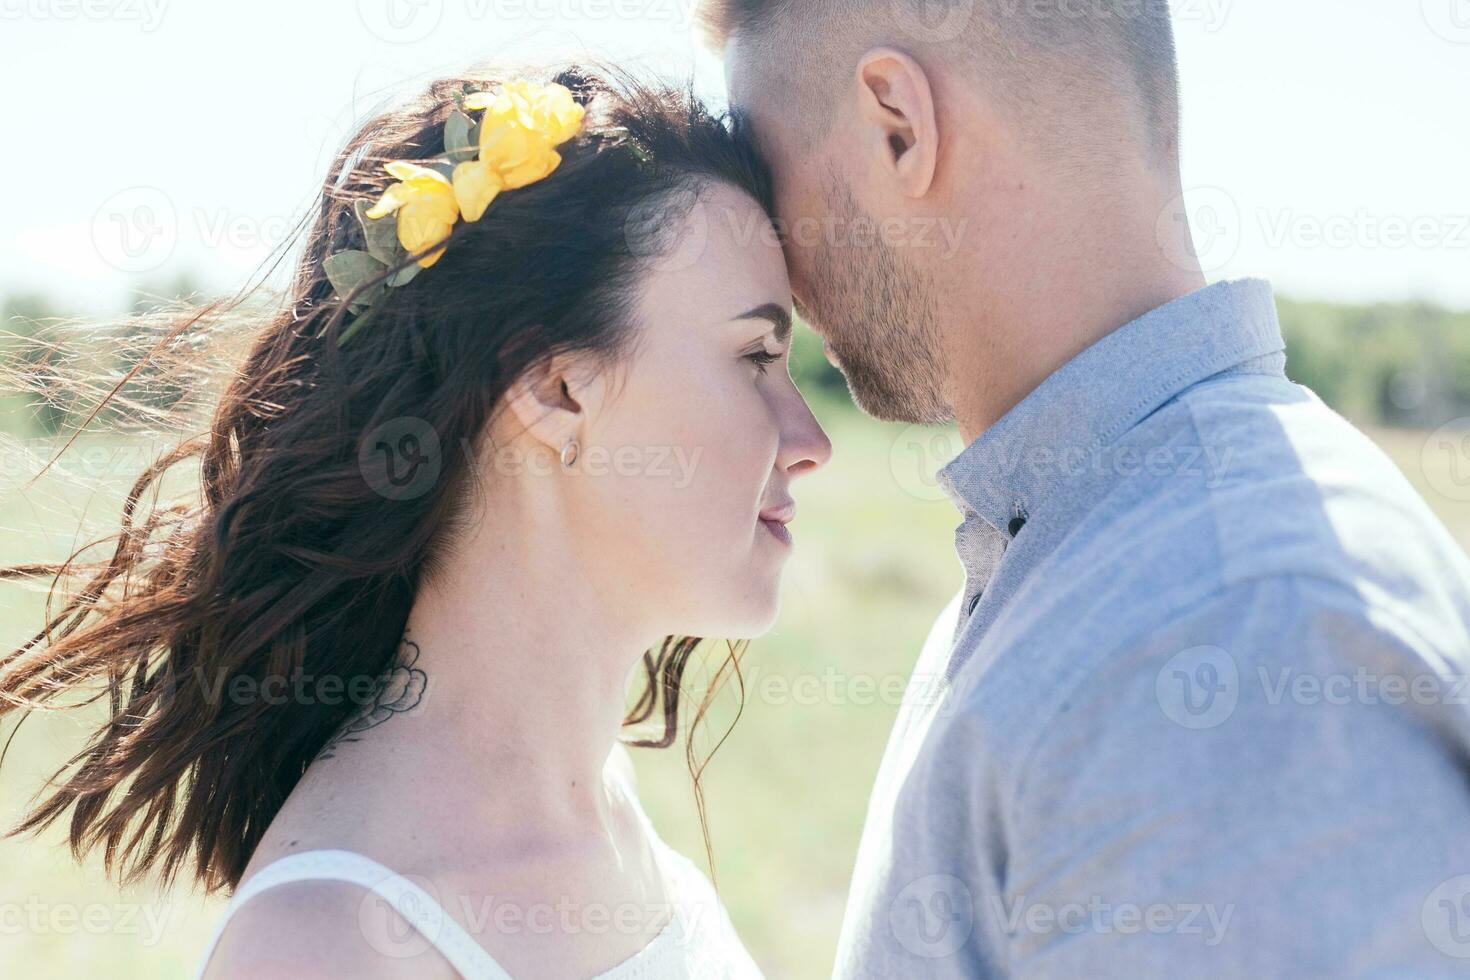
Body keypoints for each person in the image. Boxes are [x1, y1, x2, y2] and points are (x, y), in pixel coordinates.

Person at [0, 65, 831, 978]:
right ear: (557, 390)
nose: (812, 440)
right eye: (756, 354)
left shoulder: (605, 810)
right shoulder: (330, 945)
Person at [703, 1, 1470, 975]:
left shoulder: (1223, 626)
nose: (776, 258)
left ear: (900, 127)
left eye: (767, 181)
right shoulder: (1091, 541)